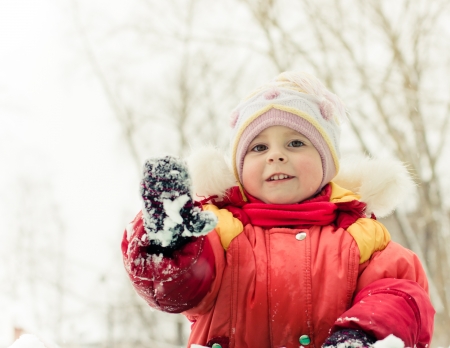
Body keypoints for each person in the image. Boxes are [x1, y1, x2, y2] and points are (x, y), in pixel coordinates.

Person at [121, 71, 435, 348]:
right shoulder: (219, 231)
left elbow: (402, 294)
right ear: (240, 168)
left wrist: (363, 334)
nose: (276, 156)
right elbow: (175, 290)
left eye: (296, 143)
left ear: (328, 164)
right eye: (259, 147)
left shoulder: (359, 233)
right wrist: (167, 243)